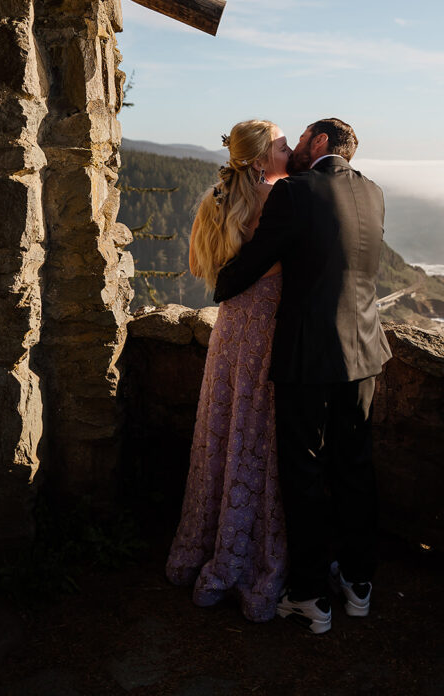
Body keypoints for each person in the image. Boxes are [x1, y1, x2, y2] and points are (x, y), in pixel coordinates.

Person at [214, 117, 391, 635]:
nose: (289, 148)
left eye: (299, 138)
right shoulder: (374, 193)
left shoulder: (295, 191)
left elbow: (258, 258)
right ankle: (359, 582)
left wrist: (221, 283)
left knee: (305, 470)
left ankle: (311, 594)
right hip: (364, 354)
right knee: (355, 465)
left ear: (317, 143)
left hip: (308, 355)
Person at [165, 120, 292, 622]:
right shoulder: (277, 203)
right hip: (265, 332)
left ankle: (202, 546)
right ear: (262, 159)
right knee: (257, 436)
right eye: (282, 144)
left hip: (229, 329)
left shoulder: (215, 199)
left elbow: (201, 267)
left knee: (221, 432)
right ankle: (251, 556)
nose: (288, 149)